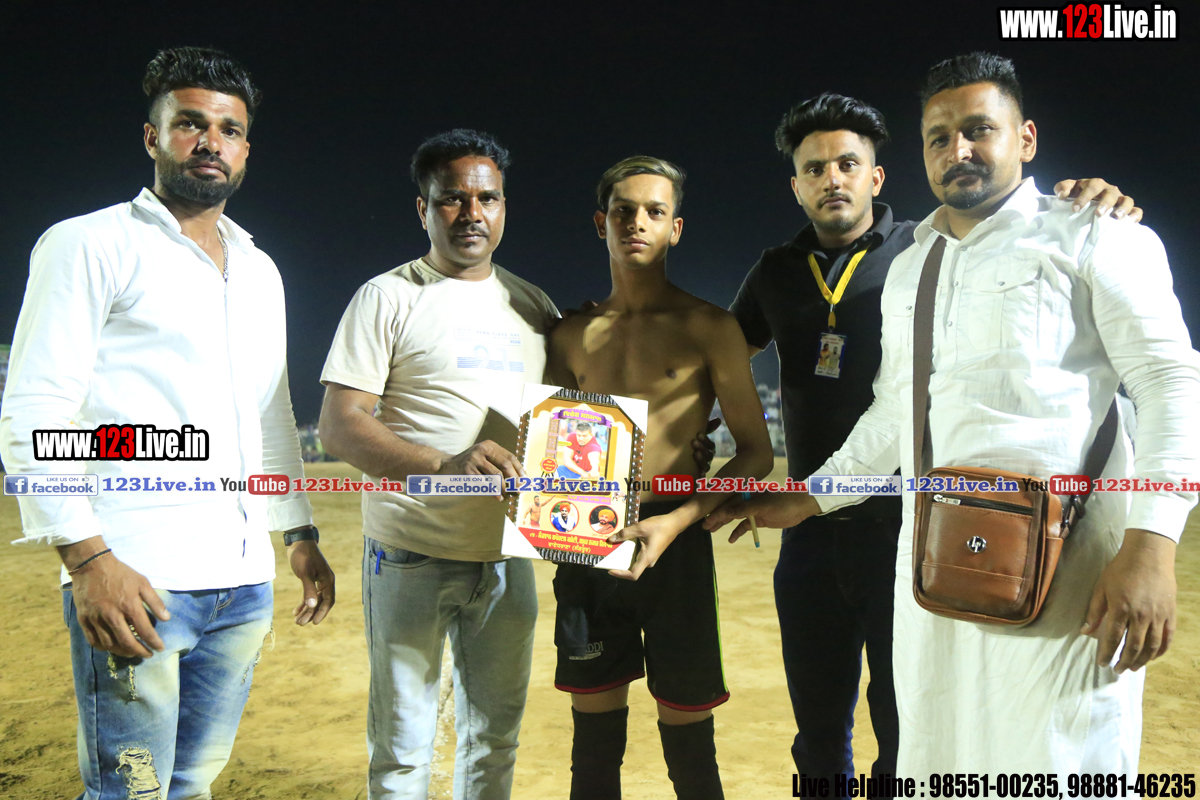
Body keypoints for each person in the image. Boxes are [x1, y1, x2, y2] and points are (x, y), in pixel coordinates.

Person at [709, 53, 1199, 773]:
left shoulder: (1095, 233)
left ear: (1025, 138)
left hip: (1066, 572)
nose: (957, 149)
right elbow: (893, 413)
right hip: (935, 566)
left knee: (1059, 762)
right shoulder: (913, 264)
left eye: (979, 130)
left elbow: (1170, 382)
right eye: (939, 137)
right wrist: (811, 497)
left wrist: (1152, 547)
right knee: (936, 757)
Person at [0, 47, 335, 800]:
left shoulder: (260, 269)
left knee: (192, 783)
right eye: (190, 124)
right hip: (137, 577)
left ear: (245, 150)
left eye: (229, 129)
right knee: (131, 792)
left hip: (242, 585)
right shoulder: (89, 244)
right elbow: (35, 410)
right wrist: (89, 562)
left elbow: (270, 414)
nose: (210, 142)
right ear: (153, 137)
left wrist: (299, 533)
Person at [317, 129, 554, 799]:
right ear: (423, 209)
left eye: (487, 198)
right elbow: (339, 424)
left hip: (507, 559)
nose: (471, 213)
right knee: (402, 750)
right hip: (410, 554)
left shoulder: (535, 306)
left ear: (504, 207)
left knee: (496, 739)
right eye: (452, 198)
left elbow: (565, 426)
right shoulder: (387, 296)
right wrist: (445, 465)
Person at [547, 156, 774, 800]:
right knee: (593, 755)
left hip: (677, 543)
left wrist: (678, 519)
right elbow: (553, 451)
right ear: (601, 223)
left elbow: (756, 453)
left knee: (692, 752)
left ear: (676, 228)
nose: (637, 223)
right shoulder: (567, 333)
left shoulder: (710, 326)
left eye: (655, 211)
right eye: (623, 211)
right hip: (587, 540)